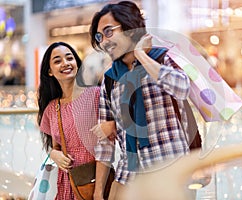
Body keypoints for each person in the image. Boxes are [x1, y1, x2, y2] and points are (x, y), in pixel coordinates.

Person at [89, 1, 193, 199]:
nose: (104, 41)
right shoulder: (110, 79)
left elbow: (183, 88)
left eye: (109, 32)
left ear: (129, 28)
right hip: (129, 172)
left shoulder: (161, 58)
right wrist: (98, 191)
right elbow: (104, 145)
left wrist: (141, 57)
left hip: (170, 167)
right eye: (99, 36)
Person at [37, 42, 115, 200]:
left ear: (77, 64)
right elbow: (56, 145)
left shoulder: (95, 95)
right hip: (67, 183)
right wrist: (54, 154)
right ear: (49, 71)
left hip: (95, 182)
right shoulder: (53, 108)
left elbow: (106, 145)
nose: (65, 63)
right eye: (57, 61)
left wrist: (98, 192)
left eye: (69, 58)